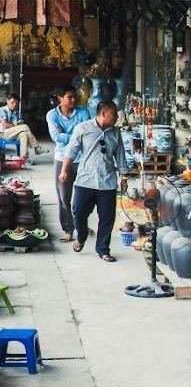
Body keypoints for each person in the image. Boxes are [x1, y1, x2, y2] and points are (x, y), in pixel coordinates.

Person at [58, 101, 127, 262]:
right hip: (85, 180)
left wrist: (124, 177)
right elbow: (71, 151)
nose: (117, 117)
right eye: (114, 114)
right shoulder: (82, 128)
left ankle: (103, 249)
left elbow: (121, 155)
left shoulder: (115, 132)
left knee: (107, 218)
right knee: (78, 211)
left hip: (107, 181)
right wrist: (64, 171)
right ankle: (81, 236)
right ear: (103, 114)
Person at [47, 87, 93, 242]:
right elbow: (56, 137)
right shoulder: (52, 115)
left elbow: (87, 133)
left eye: (75, 97)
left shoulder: (83, 112)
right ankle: (68, 229)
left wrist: (68, 135)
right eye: (70, 97)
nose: (73, 100)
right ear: (60, 98)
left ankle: (82, 225)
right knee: (63, 196)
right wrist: (75, 136)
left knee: (85, 196)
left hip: (82, 158)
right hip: (61, 158)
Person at [0, 94, 45, 164]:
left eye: (17, 103)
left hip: (14, 134)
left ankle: (24, 158)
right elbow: (5, 125)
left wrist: (19, 125)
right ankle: (36, 147)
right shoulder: (2, 110)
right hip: (3, 134)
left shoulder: (18, 113)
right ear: (7, 101)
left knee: (24, 134)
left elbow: (19, 126)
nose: (15, 105)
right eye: (12, 102)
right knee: (25, 127)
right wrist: (18, 126)